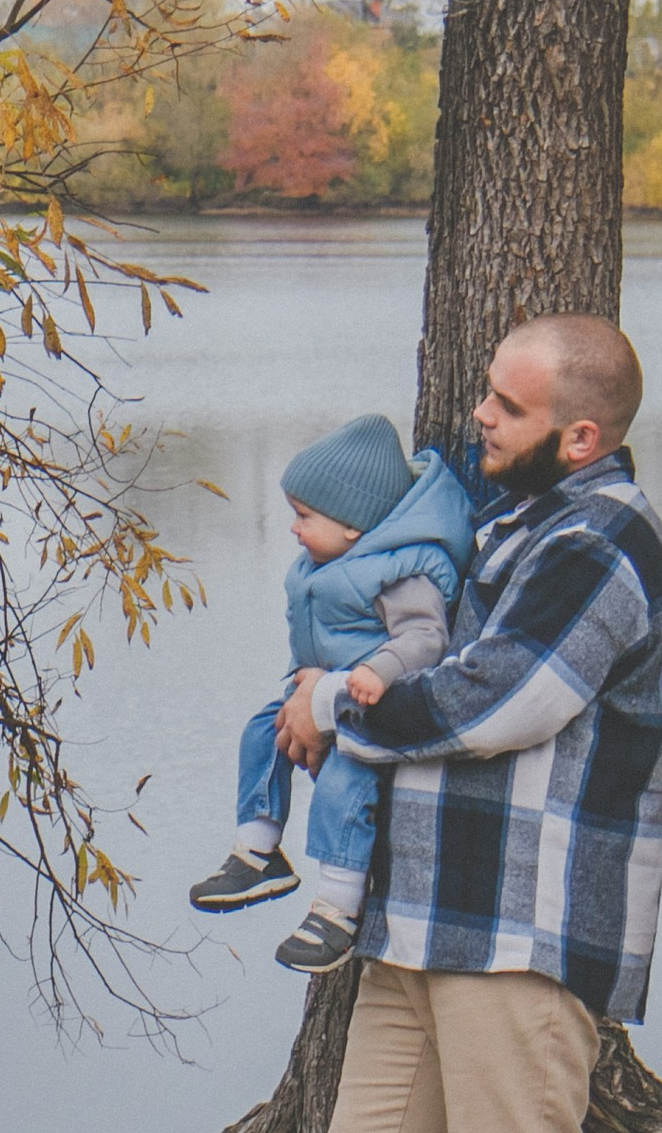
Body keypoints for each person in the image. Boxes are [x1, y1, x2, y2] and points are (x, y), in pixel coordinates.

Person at [156, 315, 662, 1133]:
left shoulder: (603, 542)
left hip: (520, 930)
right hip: (418, 922)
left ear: (580, 433)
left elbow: (495, 701)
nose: (475, 420)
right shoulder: (500, 525)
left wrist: (334, 703)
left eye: (504, 408)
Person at [187, 414, 473, 976]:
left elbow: (425, 637)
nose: (293, 529)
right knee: (260, 733)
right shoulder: (332, 558)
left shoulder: (399, 570)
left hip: (374, 708)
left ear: (352, 526)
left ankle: (339, 906)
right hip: (321, 695)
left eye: (304, 516)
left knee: (345, 780)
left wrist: (377, 672)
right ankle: (258, 847)